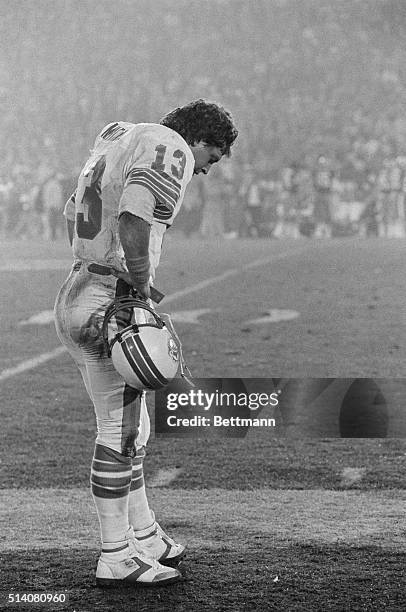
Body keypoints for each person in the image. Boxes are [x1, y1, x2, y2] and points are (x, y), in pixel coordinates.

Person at [54, 99, 238, 588]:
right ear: (198, 139)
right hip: (109, 298)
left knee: (134, 428)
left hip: (80, 286)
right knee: (119, 432)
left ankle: (143, 533)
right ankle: (115, 554)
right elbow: (136, 216)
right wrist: (137, 286)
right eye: (211, 159)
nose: (203, 171)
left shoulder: (117, 135)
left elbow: (71, 209)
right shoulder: (168, 146)